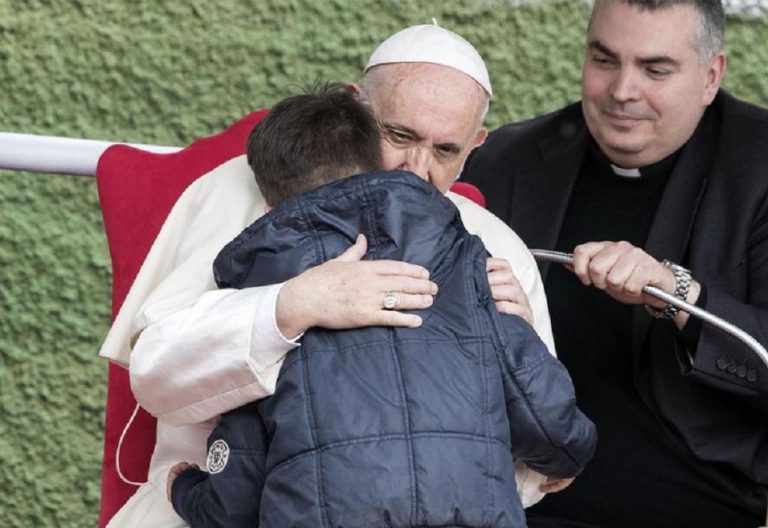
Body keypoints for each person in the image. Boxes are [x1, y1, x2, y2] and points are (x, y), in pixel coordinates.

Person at [101, 24, 560, 527]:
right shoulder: (240, 191)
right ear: (355, 107)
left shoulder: (496, 248)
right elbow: (158, 377)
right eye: (399, 135)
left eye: (445, 151)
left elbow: (532, 471)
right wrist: (291, 307)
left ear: (475, 145)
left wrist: (514, 338)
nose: (415, 170)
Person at [463, 1, 768, 526]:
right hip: (507, 501)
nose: (622, 91)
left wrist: (678, 295)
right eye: (604, 61)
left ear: (710, 75)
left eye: (655, 69)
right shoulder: (506, 160)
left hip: (692, 505)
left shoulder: (759, 165)